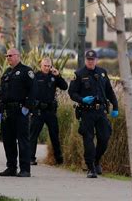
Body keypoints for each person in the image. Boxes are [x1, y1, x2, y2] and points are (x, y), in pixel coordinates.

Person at [68, 49, 119, 178]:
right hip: (86, 112)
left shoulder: (102, 73)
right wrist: (81, 99)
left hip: (101, 111)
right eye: (88, 59)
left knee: (105, 138)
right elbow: (72, 93)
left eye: (93, 59)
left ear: (96, 60)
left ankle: (96, 161)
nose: (90, 62)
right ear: (85, 60)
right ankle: (90, 167)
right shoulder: (79, 74)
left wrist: (115, 106)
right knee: (88, 140)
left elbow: (109, 91)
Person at [0, 48, 37, 177]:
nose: (8, 58)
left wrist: (27, 107)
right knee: (8, 141)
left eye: (10, 55)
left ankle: (25, 169)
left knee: (23, 140)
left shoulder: (26, 71)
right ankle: (11, 167)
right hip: (7, 111)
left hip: (20, 111)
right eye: (6, 56)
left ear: (18, 56)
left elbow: (33, 91)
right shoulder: (7, 73)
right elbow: (2, 93)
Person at [30, 57, 68, 166]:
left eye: (49, 66)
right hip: (38, 111)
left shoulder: (54, 76)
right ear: (41, 66)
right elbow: (29, 91)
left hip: (50, 111)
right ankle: (31, 158)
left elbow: (64, 87)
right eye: (45, 66)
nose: (47, 68)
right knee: (33, 134)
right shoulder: (35, 76)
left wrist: (58, 75)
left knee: (54, 135)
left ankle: (58, 159)